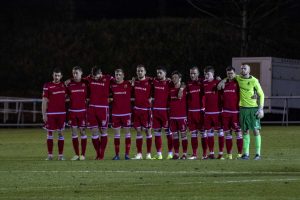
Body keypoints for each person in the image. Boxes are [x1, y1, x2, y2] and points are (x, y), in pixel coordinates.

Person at [85, 67, 112, 160]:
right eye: (93, 76)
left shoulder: (108, 78)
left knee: (104, 131)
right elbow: (79, 79)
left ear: (101, 73)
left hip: (103, 108)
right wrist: (70, 80)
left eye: (96, 76)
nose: (94, 78)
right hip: (92, 108)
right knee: (94, 132)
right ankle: (98, 153)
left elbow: (119, 80)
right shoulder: (89, 78)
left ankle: (102, 153)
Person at [42, 68, 66, 161]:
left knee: (60, 134)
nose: (56, 77)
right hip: (51, 113)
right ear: (53, 75)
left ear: (61, 76)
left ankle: (60, 156)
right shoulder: (47, 85)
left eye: (58, 75)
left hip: (61, 113)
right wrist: (44, 114)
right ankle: (50, 155)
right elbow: (44, 100)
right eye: (55, 75)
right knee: (49, 134)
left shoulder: (64, 85)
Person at [220, 67, 243, 159]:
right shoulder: (224, 84)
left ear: (235, 73)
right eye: (228, 73)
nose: (230, 75)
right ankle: (229, 154)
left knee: (238, 133)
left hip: (235, 112)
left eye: (231, 73)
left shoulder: (238, 83)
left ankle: (240, 154)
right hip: (225, 112)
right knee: (227, 133)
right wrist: (222, 81)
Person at [66, 66, 88, 161]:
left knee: (83, 132)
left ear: (81, 73)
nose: (75, 75)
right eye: (73, 73)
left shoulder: (85, 83)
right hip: (72, 112)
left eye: (77, 73)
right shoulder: (69, 84)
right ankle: (76, 154)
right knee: (74, 133)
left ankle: (83, 154)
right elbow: (65, 96)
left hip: (82, 112)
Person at [131, 65, 153, 160]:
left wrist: (151, 98)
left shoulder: (150, 81)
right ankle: (139, 154)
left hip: (146, 110)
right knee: (138, 131)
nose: (140, 72)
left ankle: (148, 154)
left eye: (141, 71)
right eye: (138, 71)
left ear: (145, 72)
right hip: (137, 110)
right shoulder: (134, 82)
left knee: (148, 131)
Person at [202, 66, 224, 159]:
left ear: (213, 74)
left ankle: (220, 153)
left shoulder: (218, 82)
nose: (206, 76)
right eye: (205, 74)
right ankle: (211, 153)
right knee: (209, 133)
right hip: (207, 113)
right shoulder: (203, 84)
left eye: (208, 74)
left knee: (220, 132)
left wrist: (222, 80)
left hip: (218, 112)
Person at [151, 67, 173, 160]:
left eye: (160, 73)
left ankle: (170, 153)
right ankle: (159, 154)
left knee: (168, 133)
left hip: (165, 111)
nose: (158, 74)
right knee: (157, 133)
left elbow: (181, 84)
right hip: (156, 110)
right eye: (157, 73)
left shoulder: (169, 83)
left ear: (165, 73)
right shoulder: (154, 81)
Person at [110, 68, 132, 160]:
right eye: (116, 74)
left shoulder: (129, 84)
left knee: (127, 134)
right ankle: (117, 155)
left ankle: (127, 154)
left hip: (126, 113)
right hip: (115, 114)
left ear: (123, 75)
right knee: (117, 135)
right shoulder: (112, 86)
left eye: (119, 74)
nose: (117, 76)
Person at [169, 71, 188, 160]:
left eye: (176, 77)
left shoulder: (184, 88)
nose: (174, 79)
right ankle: (176, 154)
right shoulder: (170, 88)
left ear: (180, 78)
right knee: (175, 136)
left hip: (182, 117)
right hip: (172, 117)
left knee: (183, 135)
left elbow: (184, 84)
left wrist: (181, 88)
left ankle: (184, 154)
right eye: (173, 77)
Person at [186, 66, 205, 160]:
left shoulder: (202, 83)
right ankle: (194, 154)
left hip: (201, 111)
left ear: (198, 74)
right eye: (191, 73)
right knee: (193, 133)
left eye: (194, 73)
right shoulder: (188, 84)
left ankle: (205, 154)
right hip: (191, 112)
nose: (192, 75)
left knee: (203, 133)